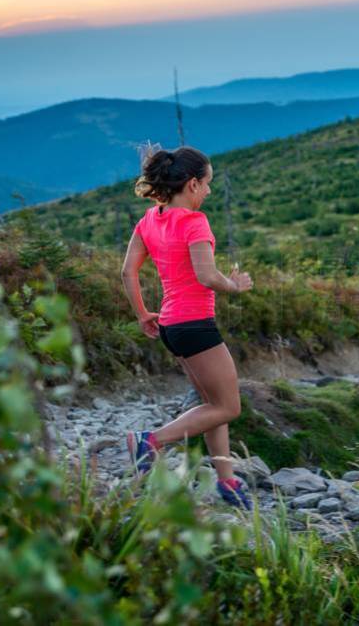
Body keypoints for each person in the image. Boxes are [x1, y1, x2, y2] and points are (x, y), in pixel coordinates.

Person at [120, 144, 255, 509]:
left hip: (171, 326)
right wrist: (235, 285)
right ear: (193, 184)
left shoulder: (150, 219)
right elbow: (207, 275)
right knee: (228, 407)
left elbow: (126, 271)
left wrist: (142, 313)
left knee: (212, 403)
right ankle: (151, 441)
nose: (209, 191)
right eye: (207, 183)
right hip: (195, 325)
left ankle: (226, 481)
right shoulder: (195, 222)